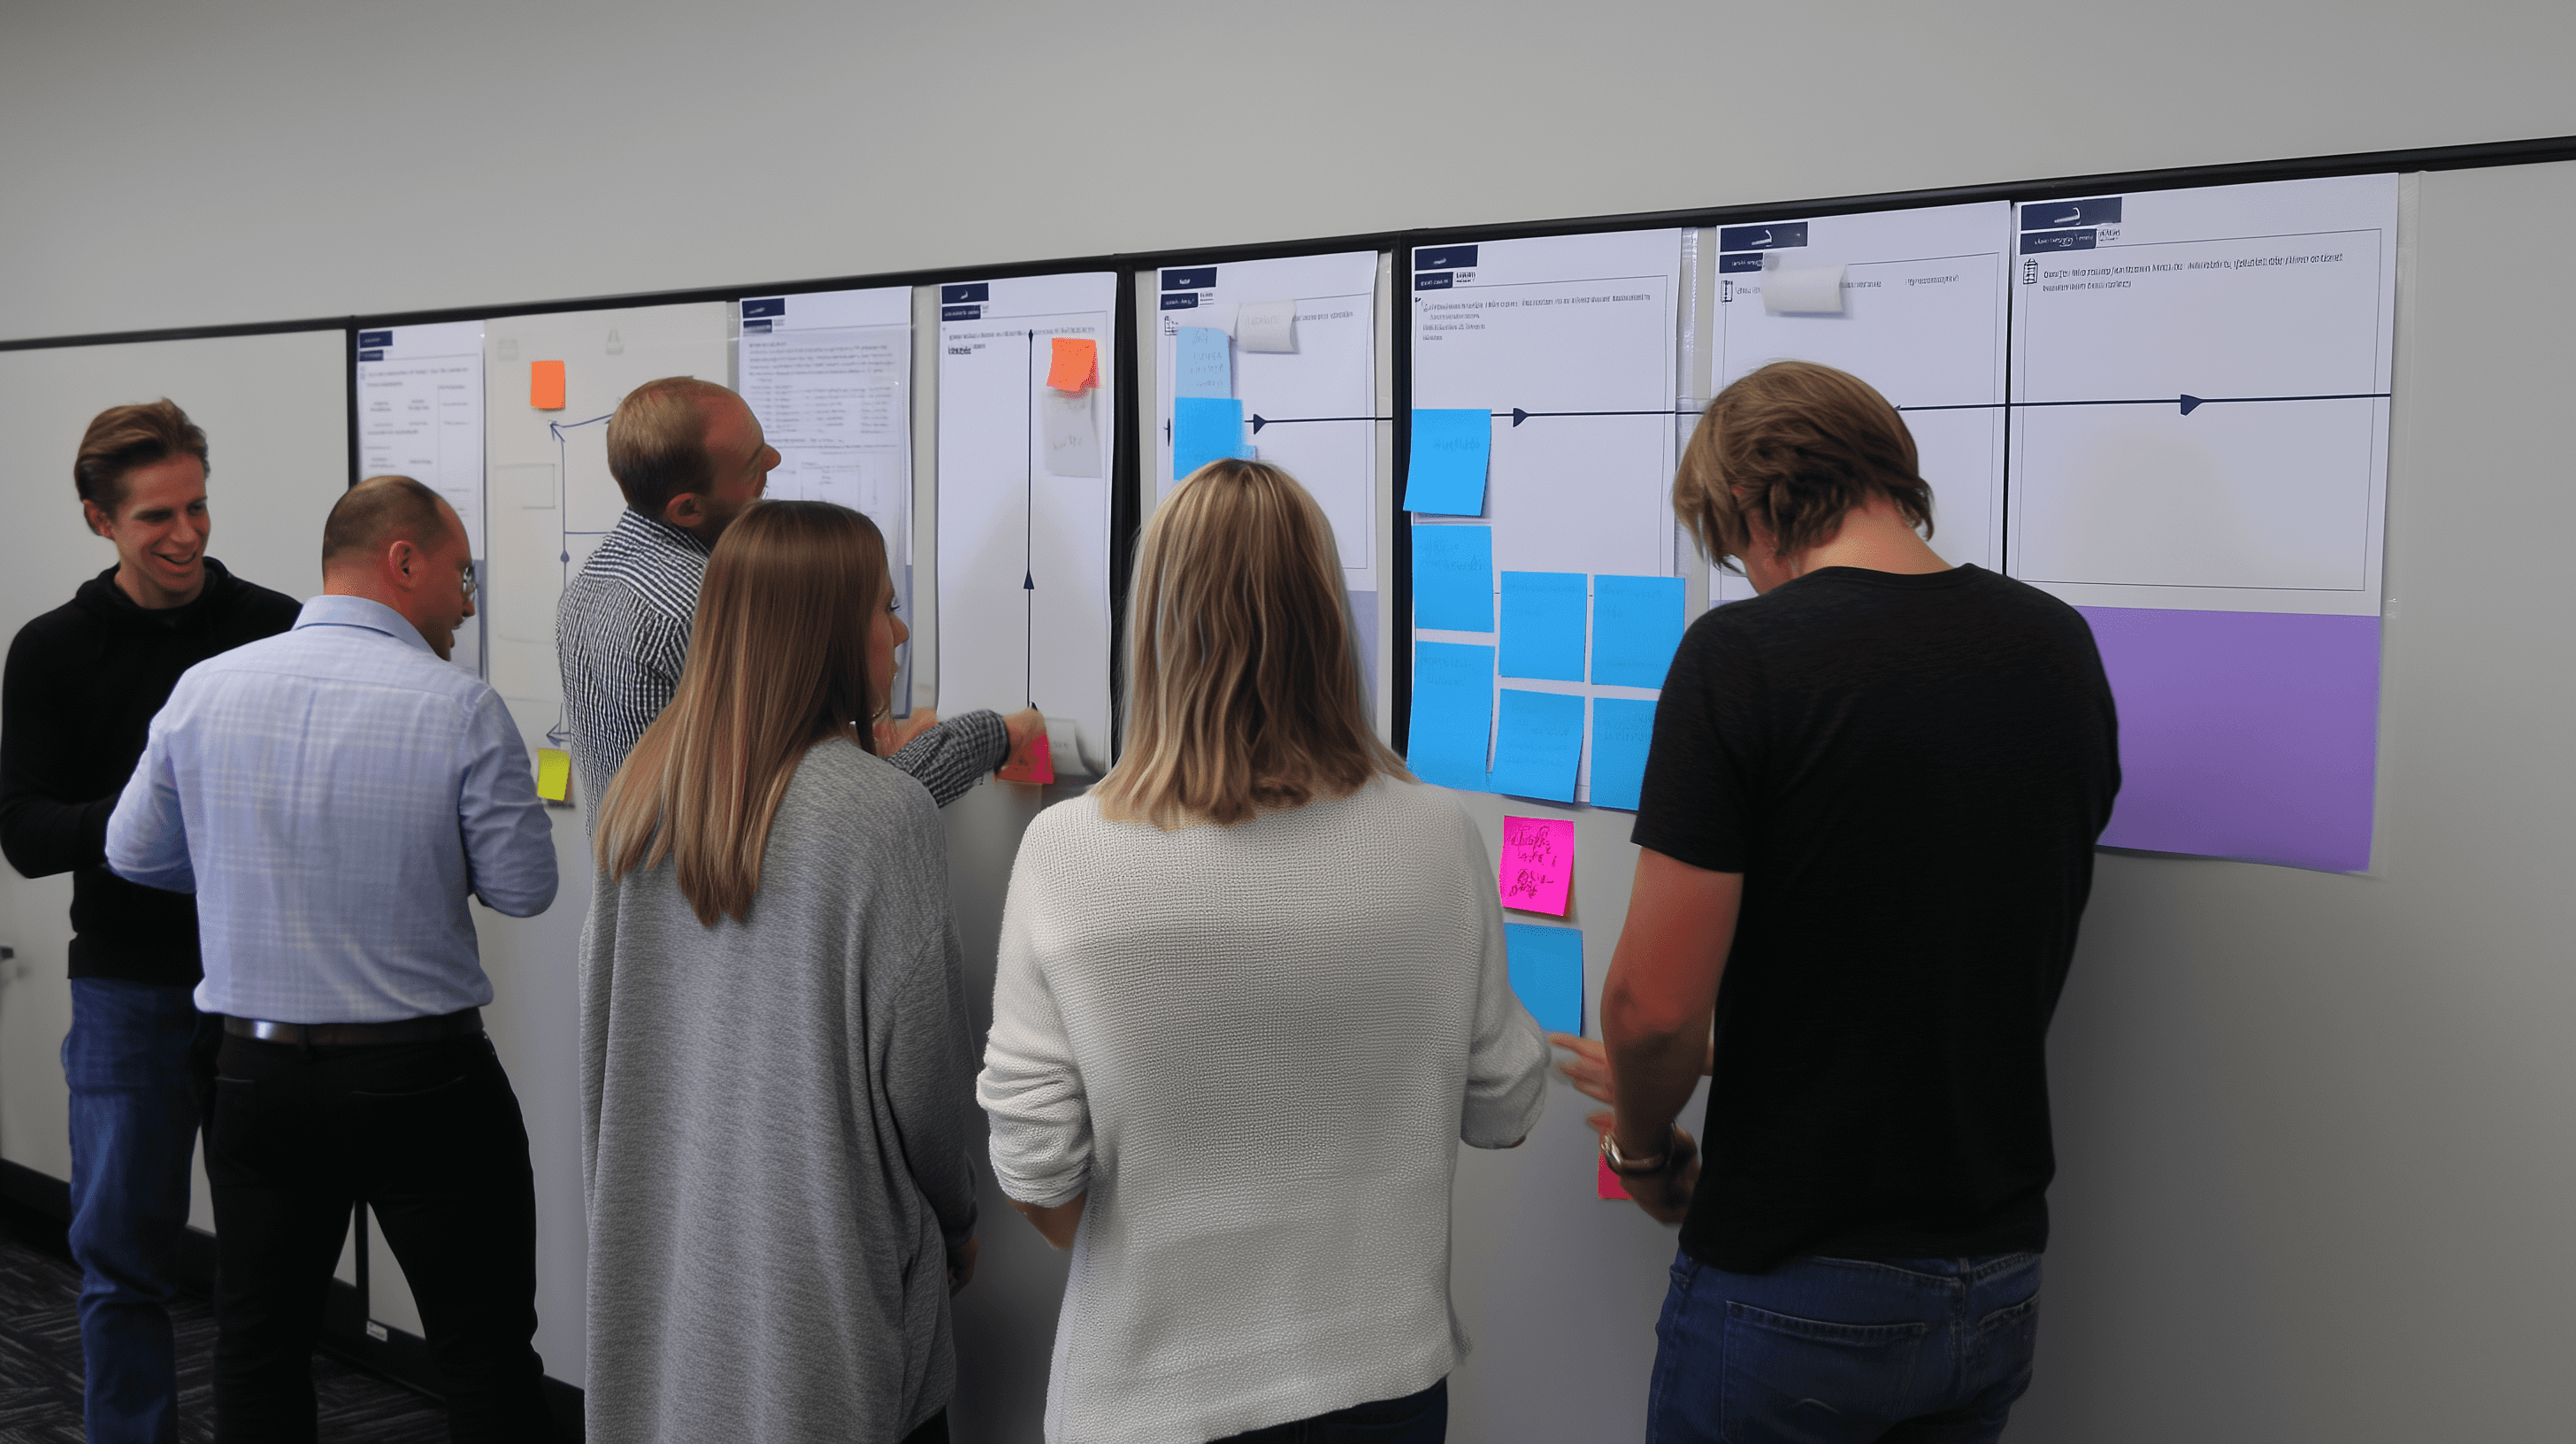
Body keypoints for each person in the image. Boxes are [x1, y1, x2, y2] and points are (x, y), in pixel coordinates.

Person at [1577, 361, 2119, 1443]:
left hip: (1795, 1282)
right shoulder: (2056, 645)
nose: (1749, 581)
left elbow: (1650, 1008)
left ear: (1747, 509)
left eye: (1734, 558)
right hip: (1996, 1274)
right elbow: (1932, 945)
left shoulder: (1742, 658)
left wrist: (1642, 1147)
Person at [978, 459, 1549, 1444]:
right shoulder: (1436, 836)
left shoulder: (1067, 851)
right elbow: (1502, 1106)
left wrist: (1178, 1261)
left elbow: (1034, 1169)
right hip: (1381, 1382)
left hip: (1150, 1392)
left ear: (1153, 624)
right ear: (1328, 620)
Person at [104, 474, 560, 1442]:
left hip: (254, 1075)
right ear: (403, 561)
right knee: (481, 1351)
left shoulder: (206, 689)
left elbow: (131, 852)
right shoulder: (460, 706)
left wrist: (246, 866)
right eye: (459, 571)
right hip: (423, 1081)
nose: (468, 599)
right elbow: (524, 889)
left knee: (258, 1344)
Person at [580, 500, 980, 1444]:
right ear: (830, 633)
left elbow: (604, 1044)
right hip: (823, 1274)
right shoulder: (879, 815)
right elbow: (921, 1081)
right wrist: (957, 1212)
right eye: (884, 607)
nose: (900, 630)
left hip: (671, 1248)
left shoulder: (642, 786)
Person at [0, 400, 301, 1443]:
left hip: (266, 982)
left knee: (270, 1259)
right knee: (122, 1255)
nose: (184, 536)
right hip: (128, 988)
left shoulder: (276, 626)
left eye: (199, 509)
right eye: (154, 519)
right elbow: (27, 833)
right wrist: (154, 807)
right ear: (100, 522)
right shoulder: (50, 651)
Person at [555, 375, 1041, 813]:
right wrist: (998, 733)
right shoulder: (708, 607)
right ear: (687, 508)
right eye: (751, 464)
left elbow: (741, 764)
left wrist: (850, 742)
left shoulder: (592, 582)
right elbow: (835, 809)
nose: (774, 460)